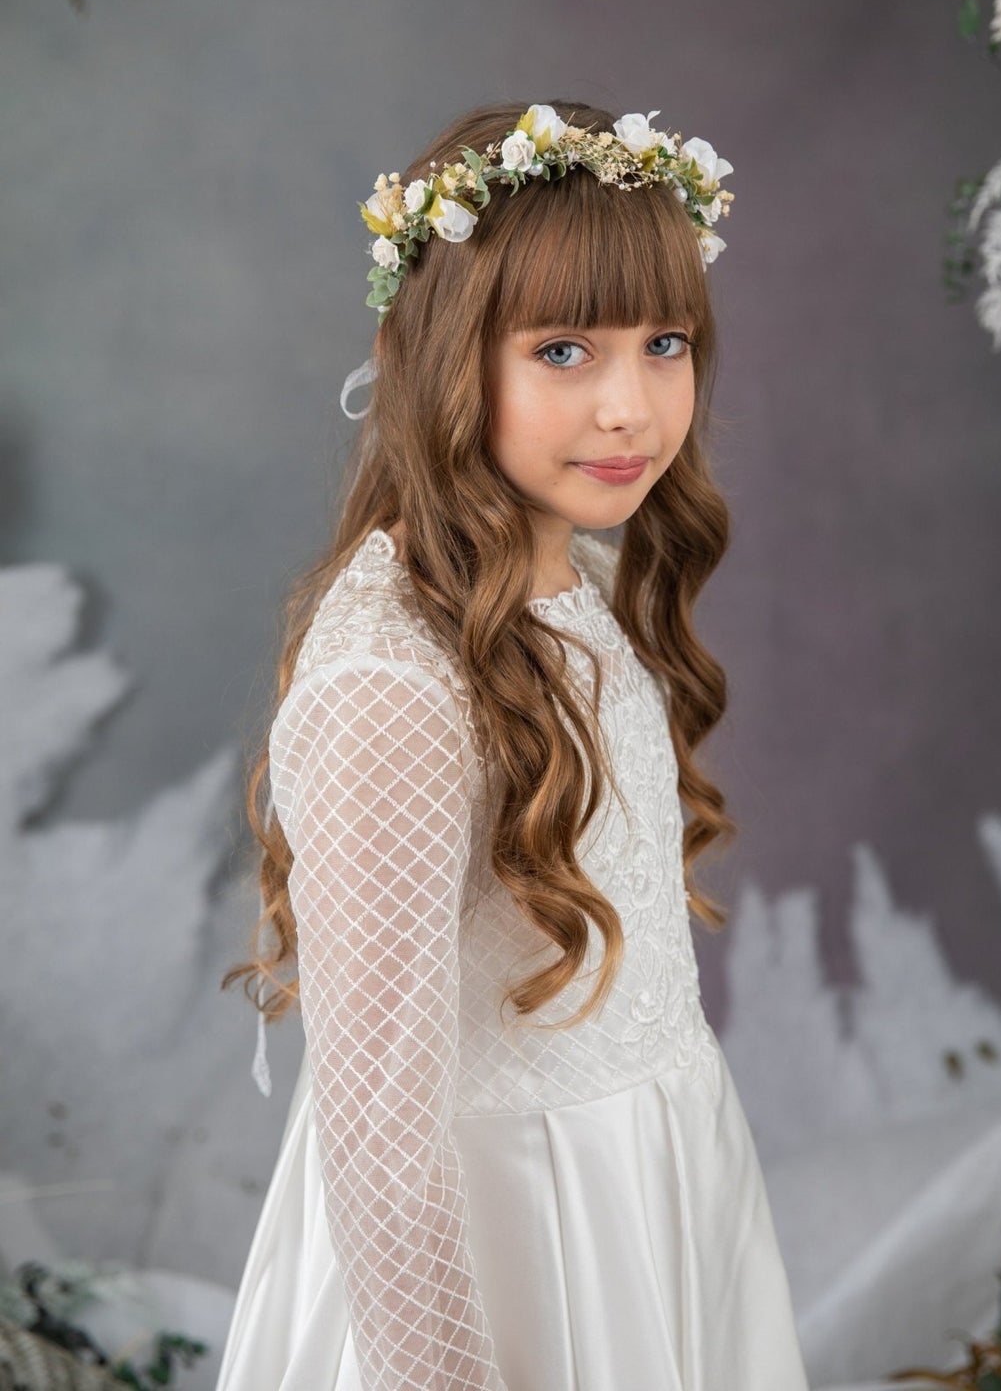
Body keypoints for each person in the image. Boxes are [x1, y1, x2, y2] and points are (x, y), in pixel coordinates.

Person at [215, 99, 810, 1391]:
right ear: (441, 354)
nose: (629, 407)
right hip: (503, 1254)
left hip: (644, 1197)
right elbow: (381, 1144)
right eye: (562, 351)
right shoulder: (394, 682)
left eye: (664, 343)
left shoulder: (565, 583)